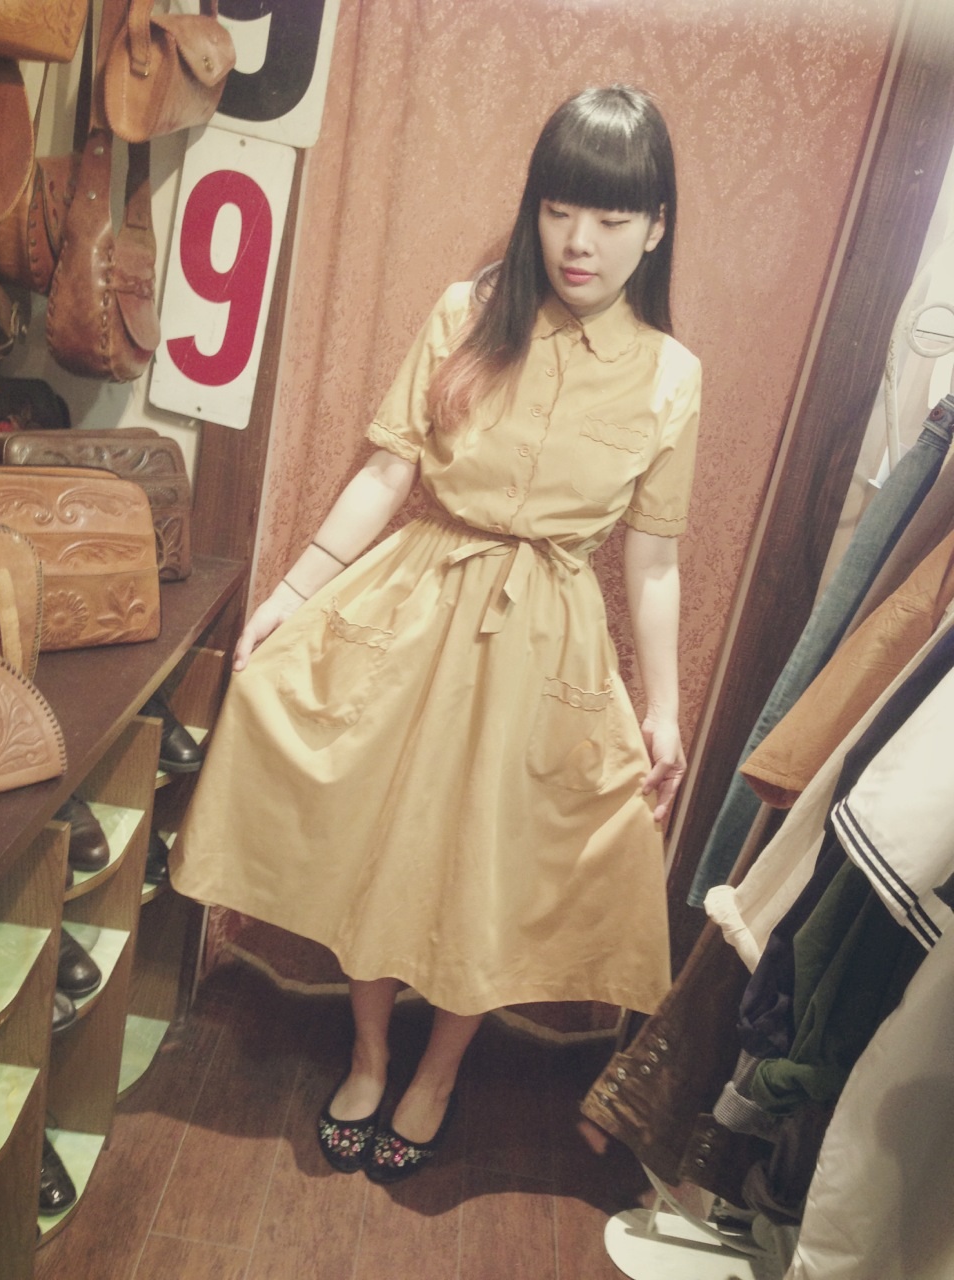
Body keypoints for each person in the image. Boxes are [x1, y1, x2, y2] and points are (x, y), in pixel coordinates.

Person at [170, 83, 701, 1184]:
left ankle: (440, 1072)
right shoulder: (468, 311)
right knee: (379, 838)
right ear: (534, 207)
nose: (580, 241)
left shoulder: (670, 375)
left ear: (655, 228)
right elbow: (387, 471)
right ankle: (369, 1051)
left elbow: (652, 558)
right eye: (560, 208)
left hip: (545, 642)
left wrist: (664, 707)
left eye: (611, 217)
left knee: (491, 870)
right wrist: (290, 594)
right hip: (414, 606)